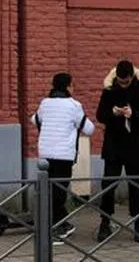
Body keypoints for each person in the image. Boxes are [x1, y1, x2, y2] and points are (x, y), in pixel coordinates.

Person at [31, 72, 95, 243]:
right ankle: (58, 228)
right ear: (67, 86)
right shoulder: (73, 105)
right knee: (59, 191)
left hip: (45, 153)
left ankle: (53, 224)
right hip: (63, 155)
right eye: (72, 85)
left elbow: (34, 119)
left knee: (48, 190)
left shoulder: (45, 103)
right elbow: (88, 129)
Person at [95, 60, 139, 243]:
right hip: (113, 145)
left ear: (132, 77)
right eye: (120, 81)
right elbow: (99, 115)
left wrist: (132, 115)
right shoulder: (109, 92)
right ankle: (105, 222)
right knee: (108, 185)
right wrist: (113, 112)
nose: (123, 84)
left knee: (136, 186)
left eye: (126, 81)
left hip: (135, 145)